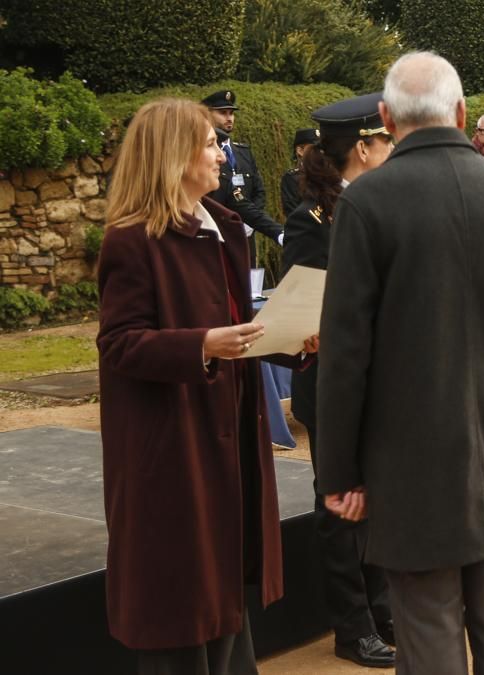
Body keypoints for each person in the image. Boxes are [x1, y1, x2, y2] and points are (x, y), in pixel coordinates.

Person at [316, 52, 484, 674]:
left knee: (426, 622)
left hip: (406, 457)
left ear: (387, 118)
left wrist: (337, 470)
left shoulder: (368, 203)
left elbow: (345, 353)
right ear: (463, 113)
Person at [96, 98, 316, 674]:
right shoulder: (132, 240)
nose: (221, 153)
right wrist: (202, 345)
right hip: (174, 446)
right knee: (181, 599)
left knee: (223, 590)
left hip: (231, 434)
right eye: (207, 143)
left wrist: (292, 341)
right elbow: (118, 343)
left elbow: (240, 323)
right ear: (172, 156)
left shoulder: (224, 228)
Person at [281, 93, 396, 668]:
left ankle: (383, 608)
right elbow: (302, 301)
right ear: (362, 148)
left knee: (375, 497)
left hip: (374, 379)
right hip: (329, 381)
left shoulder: (376, 206)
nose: (393, 149)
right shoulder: (312, 219)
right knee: (338, 504)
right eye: (385, 140)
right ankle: (351, 627)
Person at [202, 90, 285, 265]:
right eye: (222, 113)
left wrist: (277, 232)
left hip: (244, 235)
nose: (222, 157)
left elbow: (247, 197)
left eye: (231, 113)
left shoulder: (243, 152)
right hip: (214, 239)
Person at [280, 127, 319, 219]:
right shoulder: (292, 178)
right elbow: (292, 211)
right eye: (314, 148)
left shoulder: (329, 174)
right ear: (300, 151)